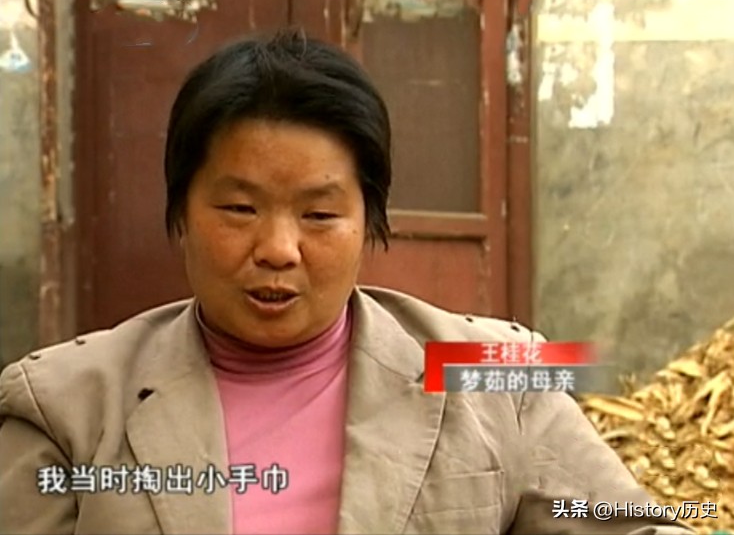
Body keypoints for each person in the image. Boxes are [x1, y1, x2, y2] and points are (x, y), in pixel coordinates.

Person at [0, 29, 692, 535]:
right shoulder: (68, 407)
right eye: (239, 209)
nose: (278, 249)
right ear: (181, 211)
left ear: (369, 222)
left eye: (320, 214)